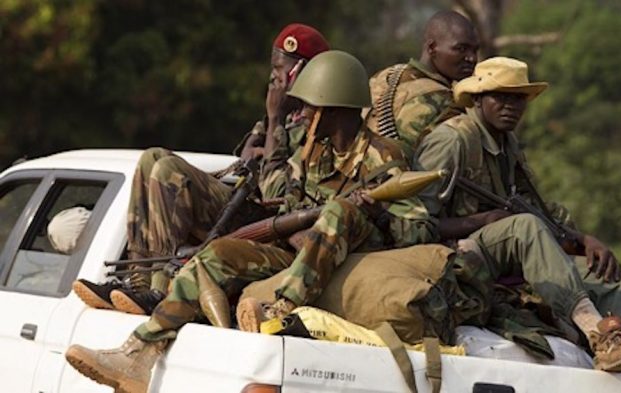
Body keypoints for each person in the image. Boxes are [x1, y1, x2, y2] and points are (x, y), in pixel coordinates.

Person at [64, 50, 437, 393]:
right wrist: (290, 232)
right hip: (298, 254)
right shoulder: (313, 150)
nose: (303, 114)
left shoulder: (385, 158)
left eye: (309, 107)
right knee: (215, 256)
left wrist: (373, 210)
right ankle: (138, 353)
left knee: (342, 210)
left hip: (349, 260)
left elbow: (417, 231)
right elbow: (290, 202)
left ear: (332, 109)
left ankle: (280, 310)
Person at [413, 57, 621, 379]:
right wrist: (483, 220)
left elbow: (536, 207)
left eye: (518, 98)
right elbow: (413, 224)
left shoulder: (508, 144)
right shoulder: (452, 141)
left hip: (509, 249)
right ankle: (598, 335)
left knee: (599, 269)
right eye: (501, 97)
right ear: (478, 99)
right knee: (524, 227)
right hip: (455, 254)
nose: (511, 106)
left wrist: (582, 240)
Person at [71, 23, 329, 316]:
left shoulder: (314, 123)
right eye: (273, 67)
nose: (274, 77)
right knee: (152, 157)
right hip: (243, 207)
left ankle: (158, 289)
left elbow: (275, 192)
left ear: (304, 73)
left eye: (282, 69)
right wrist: (268, 131)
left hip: (271, 225)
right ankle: (139, 283)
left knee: (169, 171)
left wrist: (275, 119)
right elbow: (245, 161)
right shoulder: (283, 115)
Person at [365, 10, 479, 159]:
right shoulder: (445, 103)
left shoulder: (385, 76)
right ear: (431, 48)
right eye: (461, 49)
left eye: (475, 50)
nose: (472, 58)